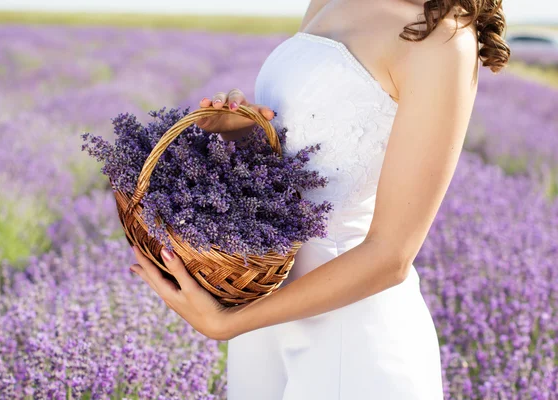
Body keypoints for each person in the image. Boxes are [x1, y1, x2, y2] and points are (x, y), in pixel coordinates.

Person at [129, 0, 510, 398]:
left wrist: (228, 323)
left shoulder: (443, 40)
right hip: (262, 309)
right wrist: (243, 133)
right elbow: (306, 151)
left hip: (351, 334)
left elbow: (391, 256)